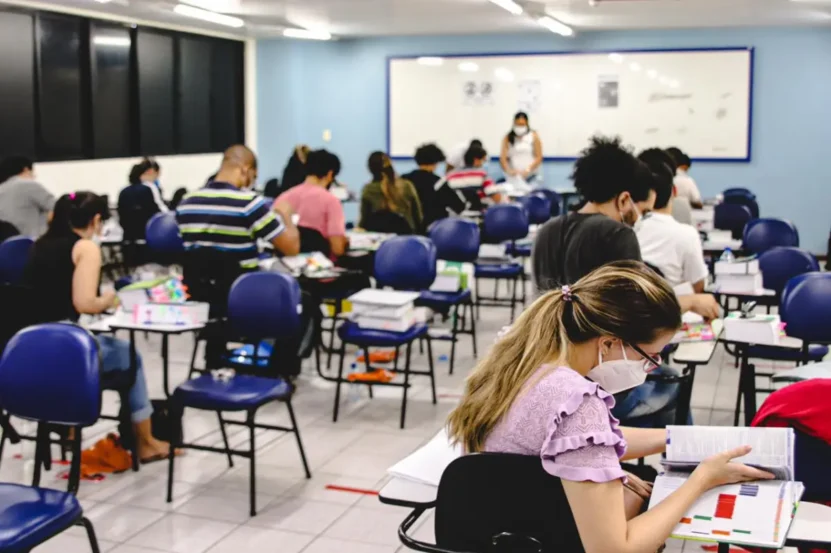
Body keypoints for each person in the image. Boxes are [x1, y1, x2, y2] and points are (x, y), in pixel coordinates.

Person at [447, 261, 773, 551]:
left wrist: (676, 438)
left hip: (505, 531)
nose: (652, 367)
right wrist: (702, 480)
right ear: (607, 343)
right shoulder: (578, 401)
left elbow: (583, 441)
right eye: (649, 357)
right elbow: (615, 549)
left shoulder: (521, 359)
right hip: (545, 535)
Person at [23, 192, 174, 462]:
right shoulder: (85, 248)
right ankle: (146, 442)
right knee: (130, 357)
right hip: (66, 349)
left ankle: (70, 430)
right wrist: (111, 298)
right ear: (95, 220)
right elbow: (84, 303)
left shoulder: (39, 244)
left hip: (30, 348)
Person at [531, 136, 719, 320]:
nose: (640, 219)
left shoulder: (547, 230)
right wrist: (690, 301)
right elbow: (636, 311)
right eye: (643, 211)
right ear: (623, 200)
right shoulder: (618, 234)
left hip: (547, 338)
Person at [177, 144, 300, 268]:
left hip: (196, 279)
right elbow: (291, 249)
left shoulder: (186, 203)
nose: (252, 182)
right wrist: (286, 215)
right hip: (240, 280)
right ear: (246, 170)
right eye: (254, 177)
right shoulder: (250, 204)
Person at [636, 150, 708, 292]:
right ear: (674, 191)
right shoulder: (686, 234)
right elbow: (698, 286)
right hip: (669, 301)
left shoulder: (624, 231)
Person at [275, 149, 348, 257]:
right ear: (330, 174)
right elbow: (337, 248)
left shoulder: (282, 199)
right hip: (322, 264)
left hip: (287, 263)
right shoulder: (331, 202)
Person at [360, 152, 423, 233]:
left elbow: (364, 222)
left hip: (379, 236)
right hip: (407, 235)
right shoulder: (407, 185)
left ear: (370, 169)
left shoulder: (368, 190)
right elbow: (418, 217)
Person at [435, 144, 504, 214]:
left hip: (454, 217)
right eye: (483, 160)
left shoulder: (450, 176)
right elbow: (497, 197)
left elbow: (437, 193)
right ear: (476, 160)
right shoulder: (482, 175)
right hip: (478, 216)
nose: (484, 163)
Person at [0, 155, 55, 238]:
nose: (34, 176)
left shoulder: (1, 189)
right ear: (26, 169)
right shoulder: (28, 184)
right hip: (33, 242)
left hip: (6, 243)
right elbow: (59, 208)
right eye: (33, 172)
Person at [118, 158, 169, 242]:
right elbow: (163, 212)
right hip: (148, 238)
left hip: (128, 239)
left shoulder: (123, 192)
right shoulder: (151, 188)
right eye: (157, 176)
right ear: (151, 171)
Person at [402, 143, 448, 232]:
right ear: (435, 162)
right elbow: (458, 206)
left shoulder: (404, 179)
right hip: (433, 228)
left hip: (408, 227)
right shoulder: (438, 182)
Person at [500, 111, 543, 183]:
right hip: (514, 176)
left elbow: (539, 157)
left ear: (527, 124)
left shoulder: (533, 136)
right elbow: (503, 159)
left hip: (531, 175)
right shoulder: (508, 137)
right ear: (514, 123)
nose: (520, 127)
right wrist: (509, 171)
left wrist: (528, 170)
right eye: (518, 124)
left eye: (522, 125)